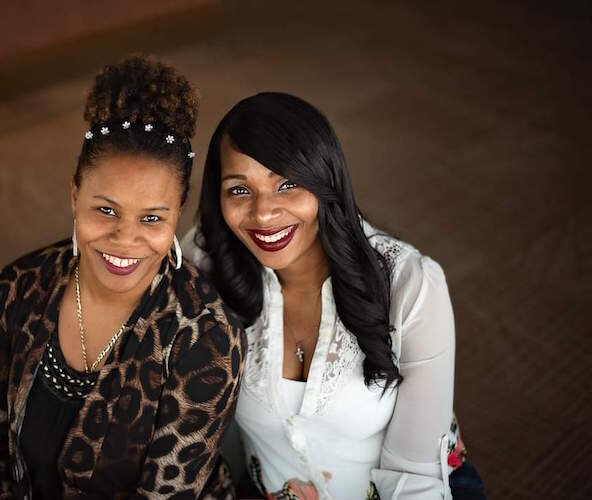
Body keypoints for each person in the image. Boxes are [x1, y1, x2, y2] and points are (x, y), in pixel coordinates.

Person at [0, 55, 245, 500]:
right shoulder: (12, 291)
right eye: (105, 209)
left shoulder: (205, 336)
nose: (124, 239)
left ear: (178, 213)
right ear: (75, 195)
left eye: (152, 218)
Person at [183, 92, 484, 499]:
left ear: (326, 180)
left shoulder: (411, 286)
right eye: (239, 190)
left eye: (286, 184)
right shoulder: (206, 264)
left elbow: (415, 477)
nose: (263, 213)